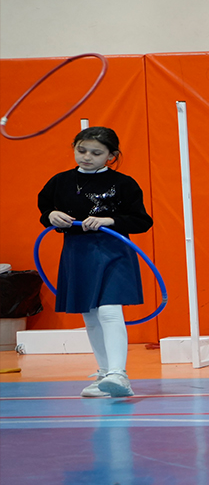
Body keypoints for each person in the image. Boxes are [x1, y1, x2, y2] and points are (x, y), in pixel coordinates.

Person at [37, 126, 153, 398]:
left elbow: (142, 221)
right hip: (77, 253)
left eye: (96, 153)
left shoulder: (124, 183)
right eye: (81, 150)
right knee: (89, 315)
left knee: (109, 310)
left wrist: (109, 220)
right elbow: (44, 209)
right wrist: (51, 216)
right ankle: (104, 374)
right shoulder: (60, 181)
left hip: (112, 252)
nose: (87, 157)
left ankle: (118, 374)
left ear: (111, 156)